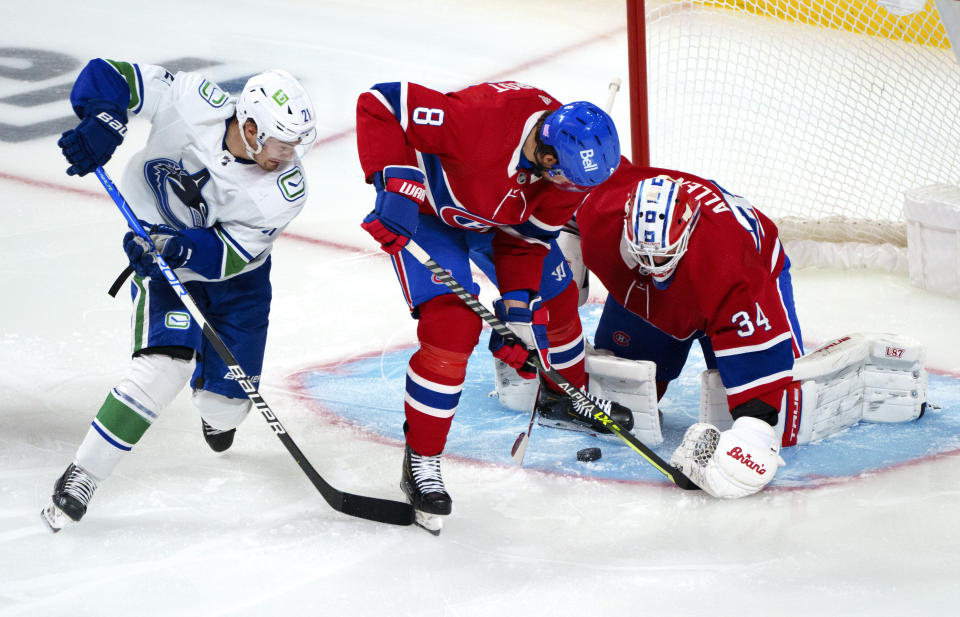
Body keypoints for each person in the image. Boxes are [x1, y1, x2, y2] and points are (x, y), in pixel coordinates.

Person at [41, 59, 317, 531]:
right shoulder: (195, 100)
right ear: (250, 127)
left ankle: (218, 407)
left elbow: (231, 255)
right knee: (161, 367)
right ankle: (83, 473)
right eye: (282, 143)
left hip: (237, 280)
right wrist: (104, 118)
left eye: (296, 146)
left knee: (224, 408)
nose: (289, 156)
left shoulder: (286, 190)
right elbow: (111, 75)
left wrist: (177, 244)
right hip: (163, 261)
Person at [356, 80, 626, 531]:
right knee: (453, 329)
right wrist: (397, 185)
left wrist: (518, 314)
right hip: (426, 218)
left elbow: (525, 243)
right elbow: (382, 103)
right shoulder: (478, 122)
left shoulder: (570, 170)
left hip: (497, 225)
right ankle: (422, 460)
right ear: (545, 152)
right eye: (562, 178)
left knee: (555, 299)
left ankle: (564, 395)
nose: (567, 191)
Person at [575, 162, 804, 498]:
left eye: (662, 256)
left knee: (782, 407)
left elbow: (760, 365)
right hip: (655, 280)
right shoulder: (599, 210)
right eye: (644, 256)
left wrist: (756, 430)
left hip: (737, 271)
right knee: (624, 394)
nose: (653, 267)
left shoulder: (731, 265)